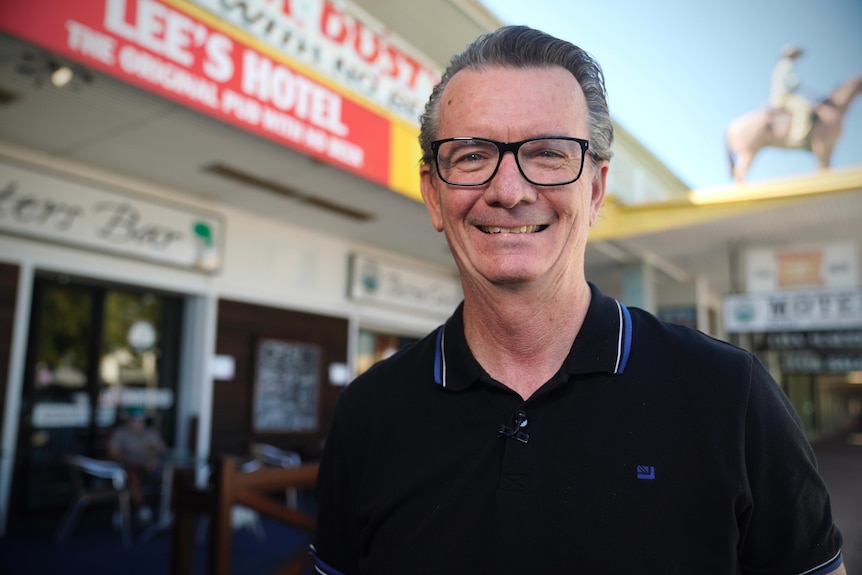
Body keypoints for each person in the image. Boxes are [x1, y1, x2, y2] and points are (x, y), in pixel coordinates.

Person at [311, 26, 846, 574]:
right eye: (472, 156)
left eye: (547, 153)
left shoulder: (733, 396)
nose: (509, 190)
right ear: (433, 193)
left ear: (594, 191)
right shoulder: (368, 413)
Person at [107, 406, 167, 523]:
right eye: (135, 419)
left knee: (170, 476)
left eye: (140, 420)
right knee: (133, 475)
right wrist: (128, 459)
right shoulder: (121, 433)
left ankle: (168, 511)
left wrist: (155, 455)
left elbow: (164, 450)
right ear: (129, 420)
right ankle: (142, 508)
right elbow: (112, 452)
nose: (138, 422)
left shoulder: (151, 432)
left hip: (152, 468)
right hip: (130, 468)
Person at [770, 44, 814, 147]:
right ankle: (797, 137)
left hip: (779, 95)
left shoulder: (782, 64)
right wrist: (806, 90)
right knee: (804, 108)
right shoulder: (787, 64)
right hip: (784, 95)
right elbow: (791, 81)